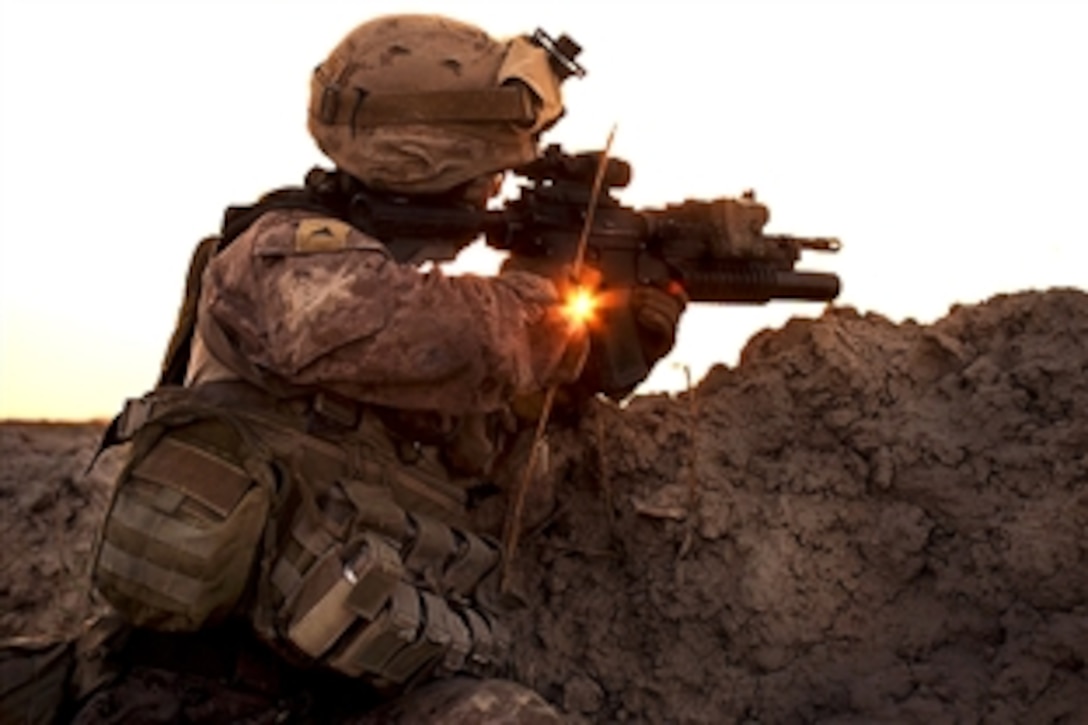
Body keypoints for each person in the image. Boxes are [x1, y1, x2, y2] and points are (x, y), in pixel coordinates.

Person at [1, 14, 686, 724]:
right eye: (488, 167)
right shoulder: (279, 259)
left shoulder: (399, 317)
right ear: (428, 157)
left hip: (352, 691)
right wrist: (558, 316)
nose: (495, 187)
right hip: (197, 695)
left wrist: (605, 349)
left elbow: (496, 455)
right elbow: (445, 334)